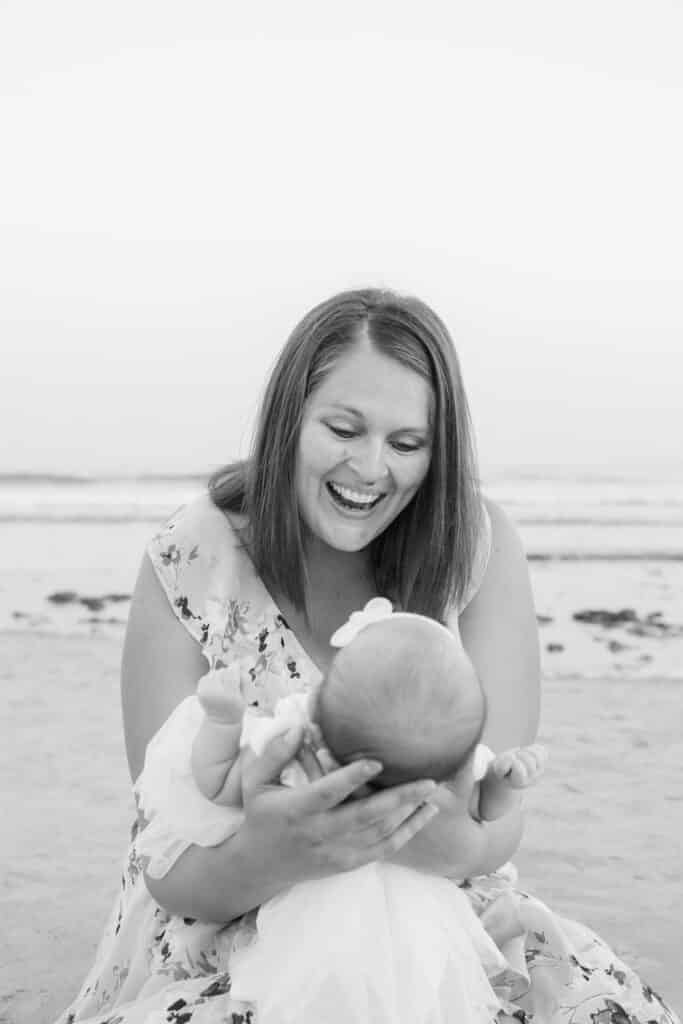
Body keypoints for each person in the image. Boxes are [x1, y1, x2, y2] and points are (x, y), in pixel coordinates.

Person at [56, 288, 679, 1023]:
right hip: (223, 920)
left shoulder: (473, 547)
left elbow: (493, 821)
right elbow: (169, 865)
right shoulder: (190, 556)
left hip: (438, 909)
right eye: (343, 429)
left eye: (406, 443)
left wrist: (410, 835)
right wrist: (280, 848)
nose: (369, 468)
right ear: (290, 417)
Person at [182, 598, 548, 1024]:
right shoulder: (438, 775)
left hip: (314, 917)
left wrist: (224, 723)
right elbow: (484, 810)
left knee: (301, 994)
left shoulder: (295, 750)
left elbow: (218, 785)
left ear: (316, 707)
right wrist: (505, 783)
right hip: (418, 923)